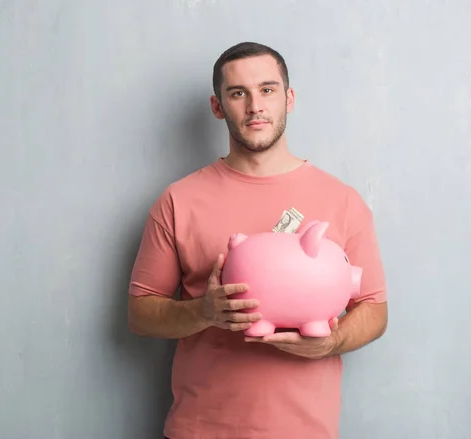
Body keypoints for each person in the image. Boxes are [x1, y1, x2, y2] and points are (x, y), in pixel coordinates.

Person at [127, 41, 388, 439]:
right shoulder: (179, 200)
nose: (255, 106)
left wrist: (329, 342)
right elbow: (140, 313)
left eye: (267, 89)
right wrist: (203, 312)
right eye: (238, 93)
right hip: (199, 430)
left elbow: (374, 309)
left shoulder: (343, 200)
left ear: (289, 98)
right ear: (218, 107)